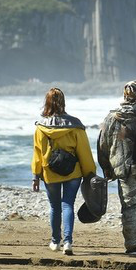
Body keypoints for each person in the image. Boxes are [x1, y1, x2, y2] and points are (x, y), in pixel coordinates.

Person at [31, 87, 96, 256]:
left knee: (55, 206)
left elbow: (37, 154)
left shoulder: (40, 128)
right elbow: (84, 151)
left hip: (49, 173)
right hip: (72, 172)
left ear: (47, 103)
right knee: (68, 204)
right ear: (63, 102)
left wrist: (35, 176)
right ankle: (68, 242)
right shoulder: (75, 126)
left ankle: (55, 241)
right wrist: (90, 172)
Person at [97, 80, 136, 256]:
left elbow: (103, 145)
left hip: (123, 168)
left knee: (129, 206)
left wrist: (106, 168)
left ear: (125, 94)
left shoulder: (112, 117)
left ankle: (133, 245)